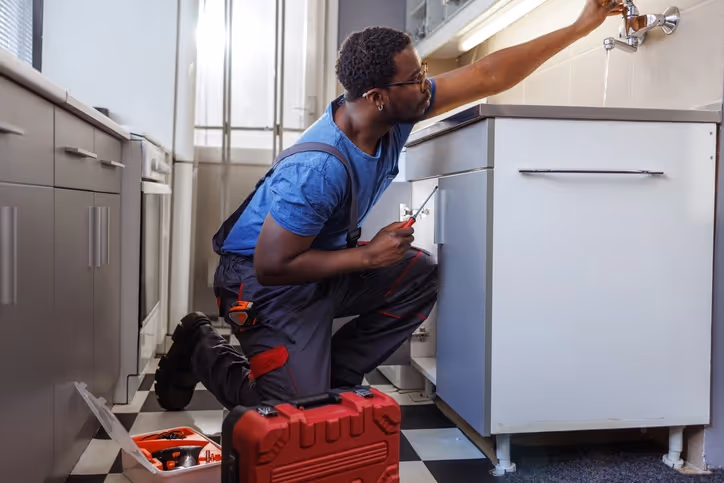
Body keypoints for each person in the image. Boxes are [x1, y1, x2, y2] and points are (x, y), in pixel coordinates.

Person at [155, 0, 622, 410]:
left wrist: (581, 25)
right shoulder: (319, 170)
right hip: (261, 284)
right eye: (416, 78)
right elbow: (273, 264)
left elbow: (488, 74)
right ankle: (202, 346)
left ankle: (329, 381)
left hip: (317, 271)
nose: (426, 85)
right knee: (289, 413)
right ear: (378, 96)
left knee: (416, 274)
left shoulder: (394, 115)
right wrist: (366, 255)